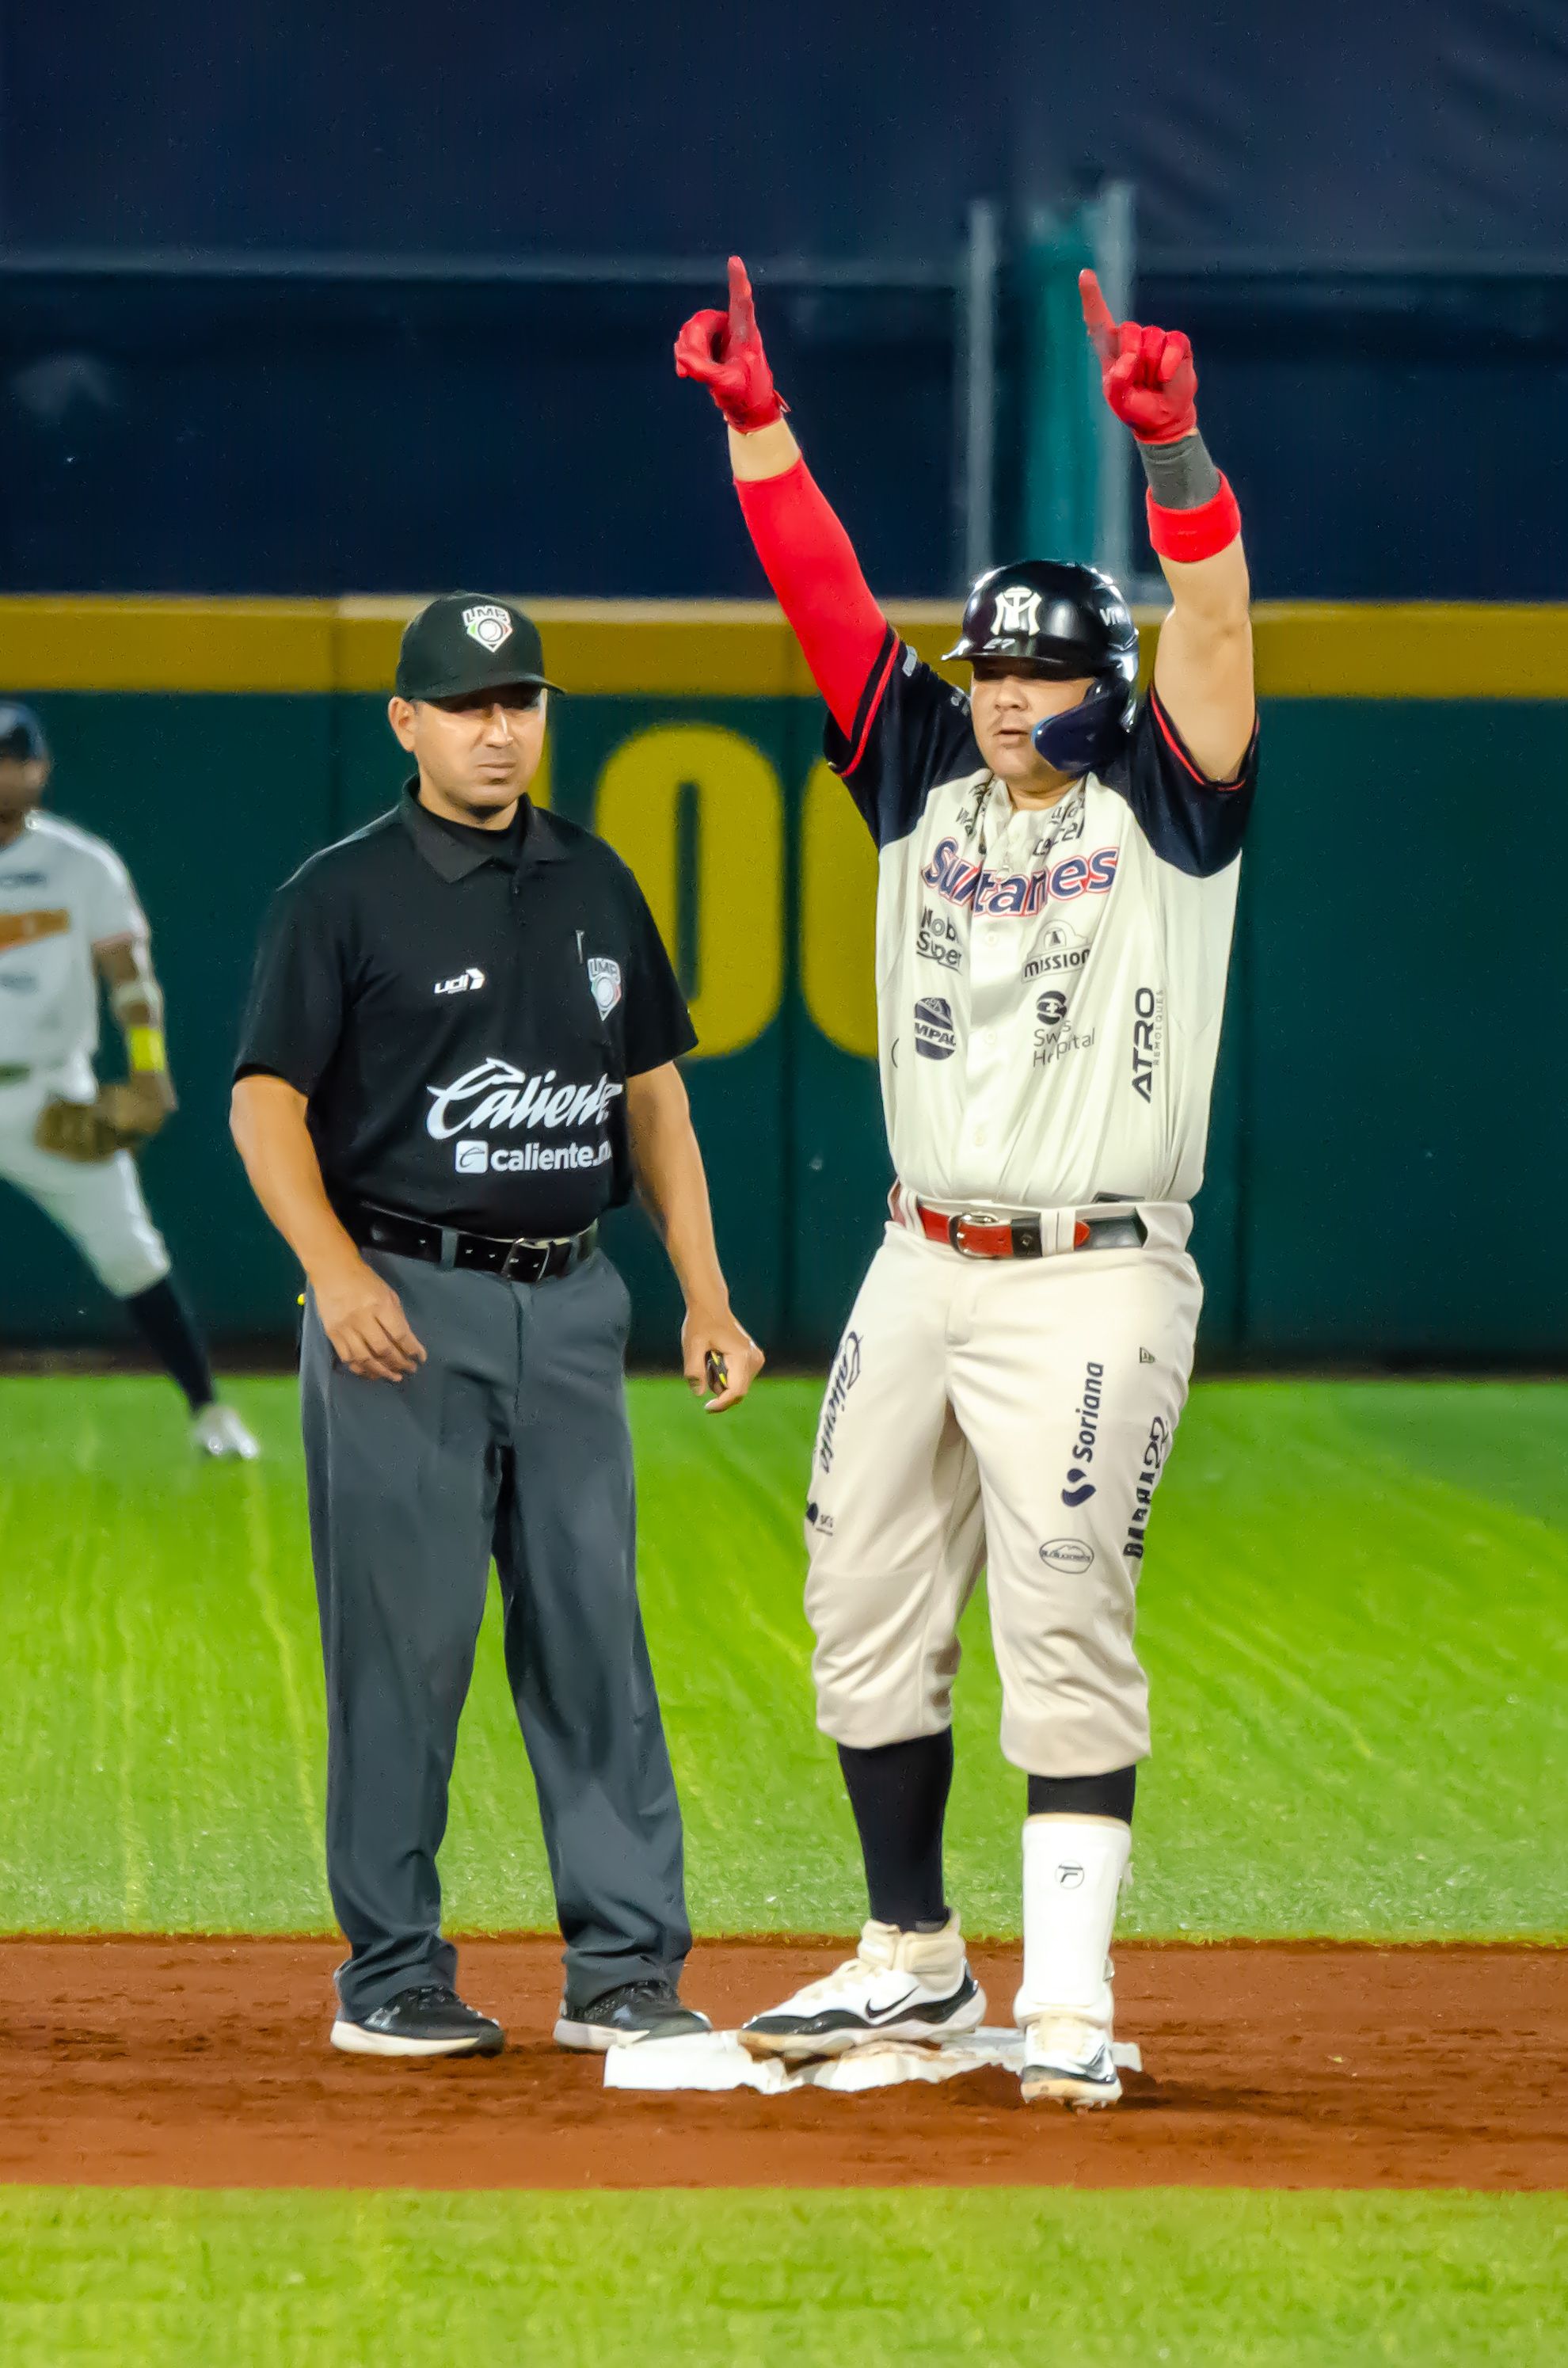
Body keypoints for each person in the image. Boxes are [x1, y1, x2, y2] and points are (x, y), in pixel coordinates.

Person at [676, 261, 1257, 2106]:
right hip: (915, 1261)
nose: (1008, 696)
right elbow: (821, 596)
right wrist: (759, 427)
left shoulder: (1161, 796)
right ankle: (911, 1959)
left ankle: (1066, 1996)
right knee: (855, 1583)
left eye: (1043, 670)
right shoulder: (920, 763)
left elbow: (1218, 633)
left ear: (1098, 682)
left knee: (1061, 1597)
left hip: (1090, 1272)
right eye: (990, 665)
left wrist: (1171, 456)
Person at [230, 594, 763, 2060]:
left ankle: (624, 1973)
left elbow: (652, 1096)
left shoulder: (594, 880)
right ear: (404, 721)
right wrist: (337, 1275)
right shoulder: (336, 896)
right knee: (404, 1653)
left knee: (596, 1643)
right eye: (465, 703)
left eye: (519, 698)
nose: (497, 726)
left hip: (575, 1306)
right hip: (403, 1307)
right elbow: (262, 1100)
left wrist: (704, 1291)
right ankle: (391, 1975)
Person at [0, 702, 258, 1458]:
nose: (4, 772)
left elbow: (130, 978)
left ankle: (210, 1411)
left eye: (15, 758)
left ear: (41, 770)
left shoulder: (82, 865)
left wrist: (147, 1068)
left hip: (48, 1089)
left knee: (130, 1252)